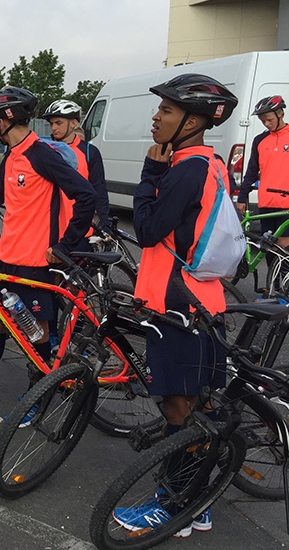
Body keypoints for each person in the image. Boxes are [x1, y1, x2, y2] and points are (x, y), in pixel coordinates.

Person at [111, 73, 238, 537]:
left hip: (179, 305)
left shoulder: (184, 169)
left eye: (166, 110)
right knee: (192, 406)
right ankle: (194, 503)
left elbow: (146, 230)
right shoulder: (209, 162)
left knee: (179, 410)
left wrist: (150, 174)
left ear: (194, 119)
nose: (156, 116)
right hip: (199, 301)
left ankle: (176, 506)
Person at [0, 86, 95, 416]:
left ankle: (37, 400)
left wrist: (64, 246)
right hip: (8, 260)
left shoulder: (41, 154)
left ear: (3, 121)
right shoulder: (12, 156)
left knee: (36, 333)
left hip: (37, 264)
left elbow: (85, 195)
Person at [40, 99, 110, 233]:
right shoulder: (44, 150)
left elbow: (99, 189)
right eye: (51, 124)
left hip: (80, 229)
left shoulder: (89, 152)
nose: (54, 128)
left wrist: (104, 223)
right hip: (48, 230)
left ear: (73, 123)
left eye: (58, 123)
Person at [236, 96, 288, 258]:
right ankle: (273, 284)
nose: (266, 124)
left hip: (286, 203)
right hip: (266, 202)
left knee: (284, 248)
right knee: (269, 250)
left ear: (280, 113)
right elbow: (251, 171)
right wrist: (242, 197)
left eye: (269, 119)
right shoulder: (260, 140)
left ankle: (282, 284)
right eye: (262, 121)